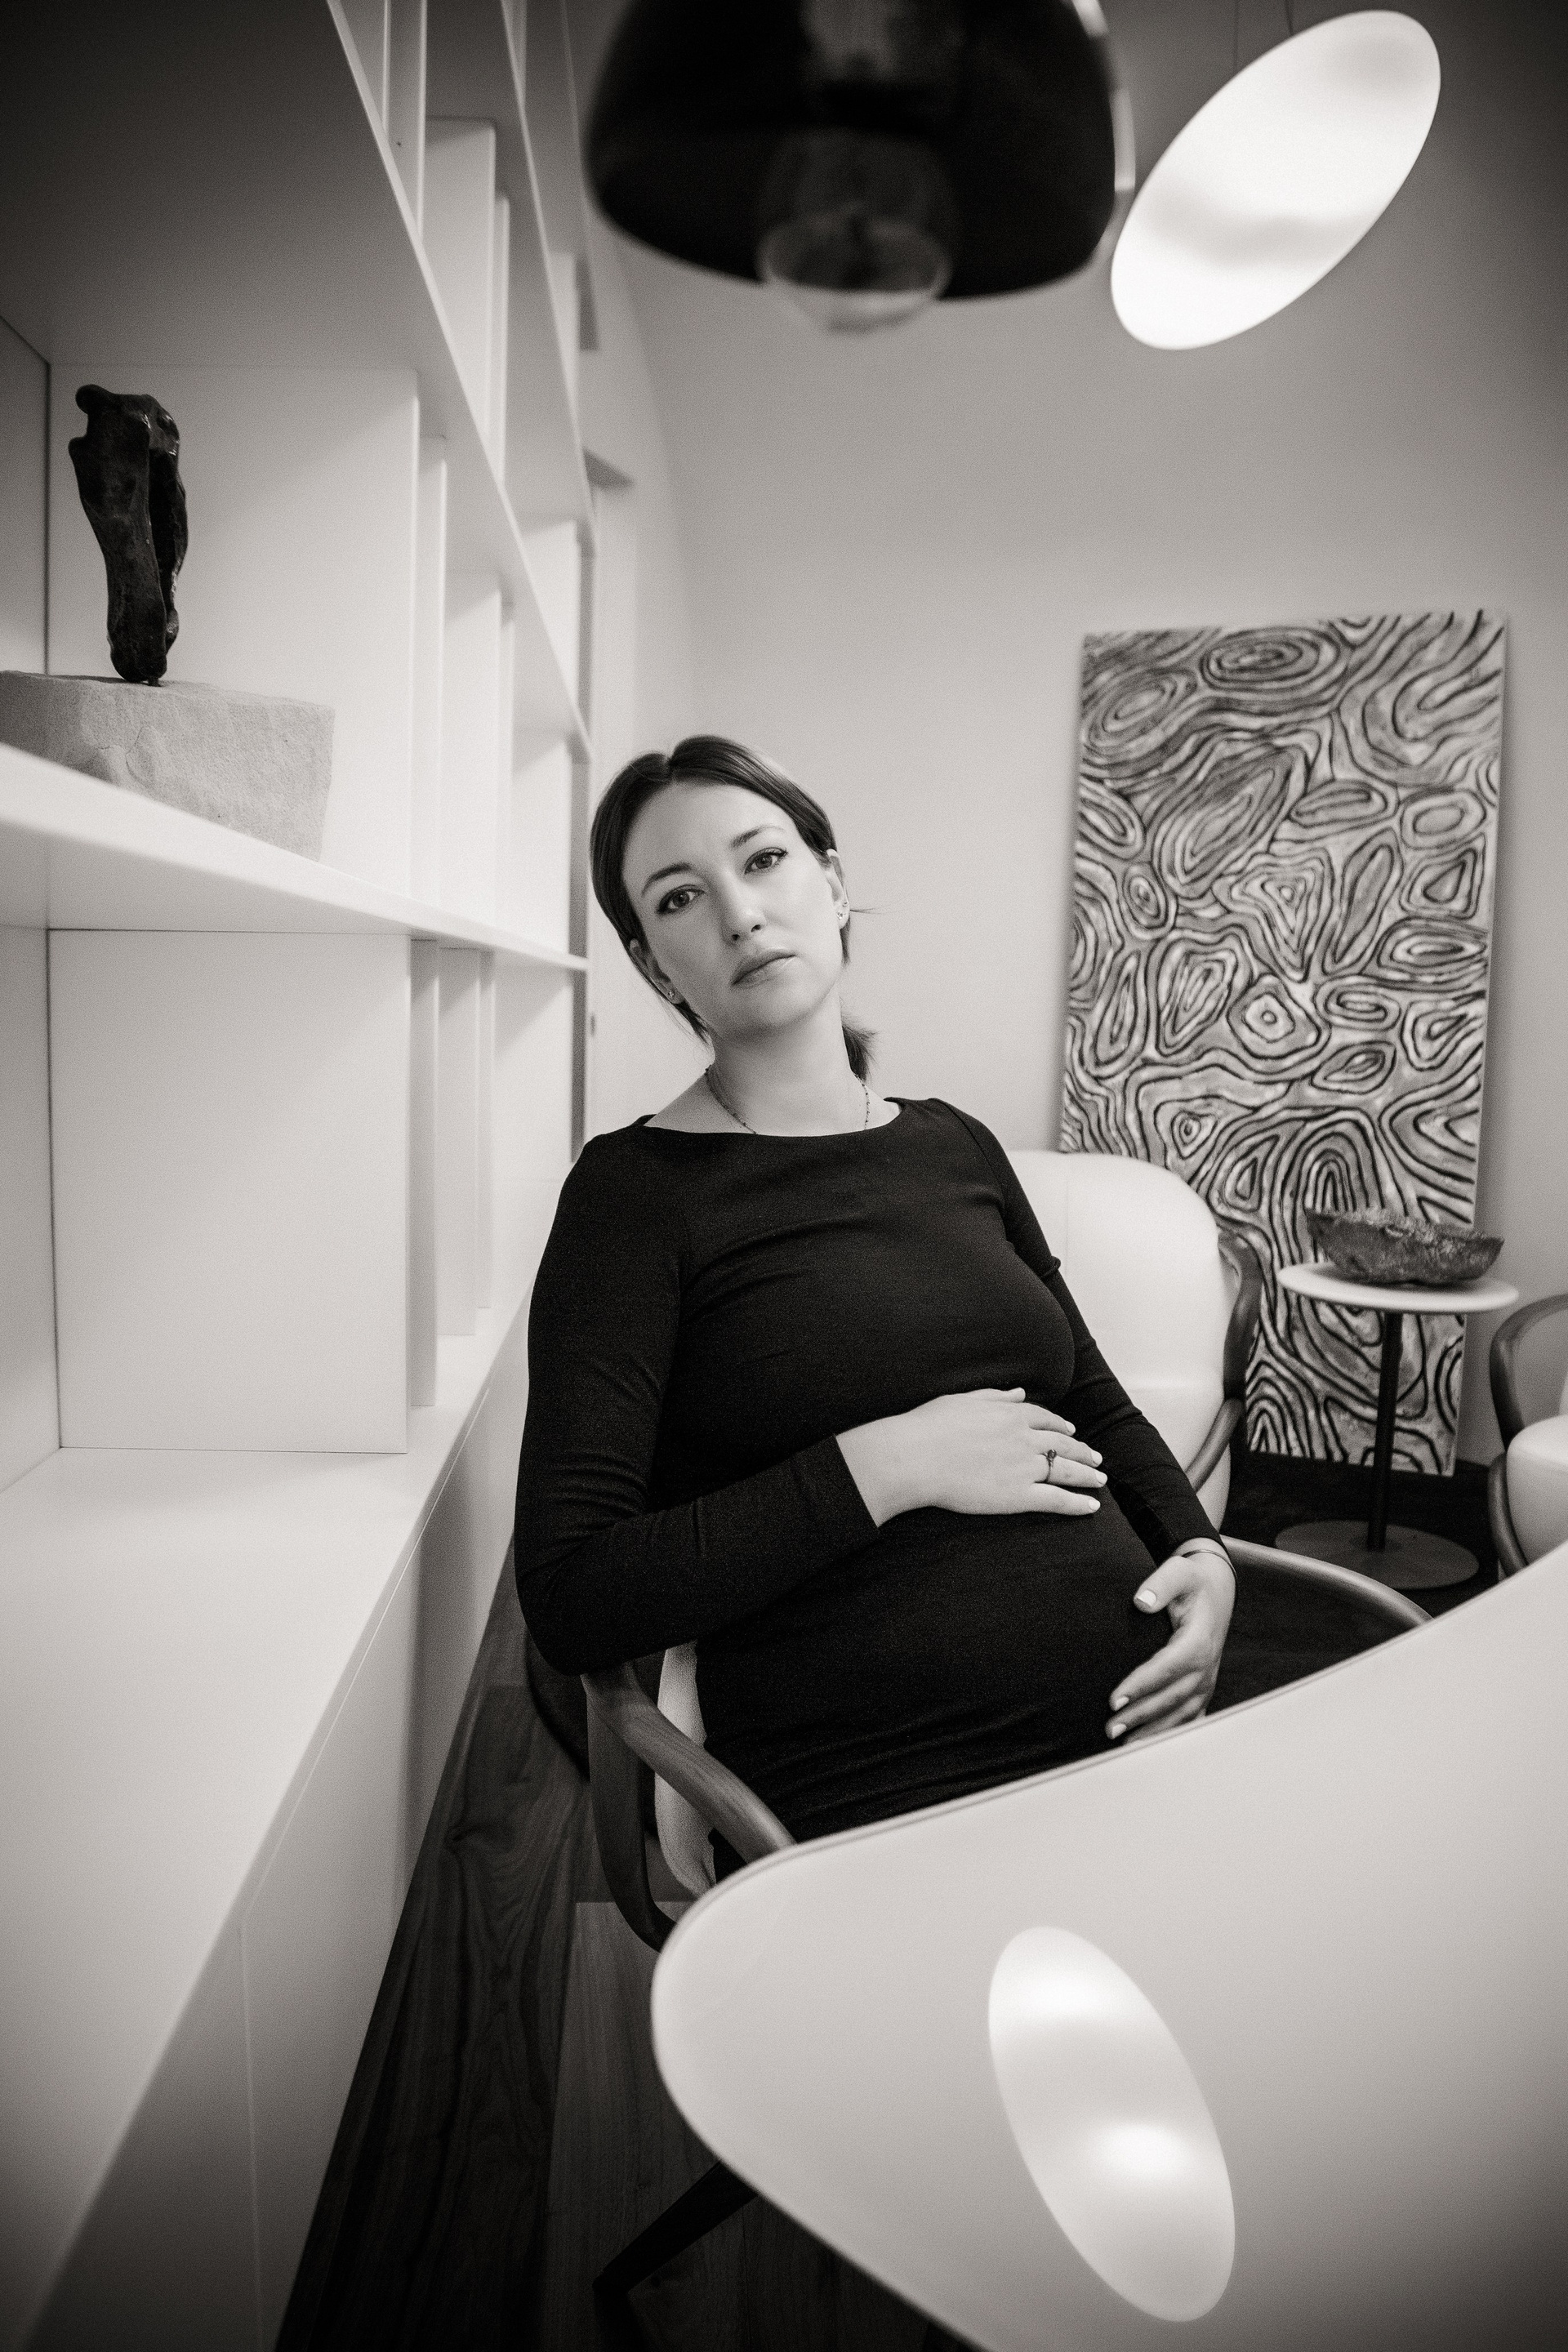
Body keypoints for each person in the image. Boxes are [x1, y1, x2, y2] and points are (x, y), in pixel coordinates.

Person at [514, 736, 1234, 1863]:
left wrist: (1202, 1554)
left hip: (1145, 1737)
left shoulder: (956, 1144)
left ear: (834, 883)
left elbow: (1089, 1395)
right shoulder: (633, 1198)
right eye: (681, 898)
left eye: (763, 860)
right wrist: (887, 1465)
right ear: (655, 966)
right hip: (888, 1785)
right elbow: (573, 1594)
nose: (741, 915)